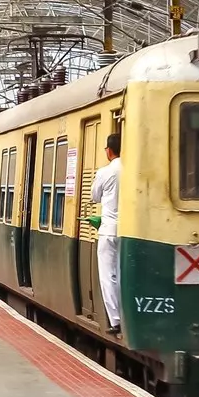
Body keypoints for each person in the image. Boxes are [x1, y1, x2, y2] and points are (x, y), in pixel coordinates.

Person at [88, 132, 123, 335]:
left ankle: (115, 320)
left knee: (108, 276)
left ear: (109, 151)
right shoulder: (133, 169)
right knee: (123, 272)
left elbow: (94, 196)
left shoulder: (105, 172)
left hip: (108, 229)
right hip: (129, 231)